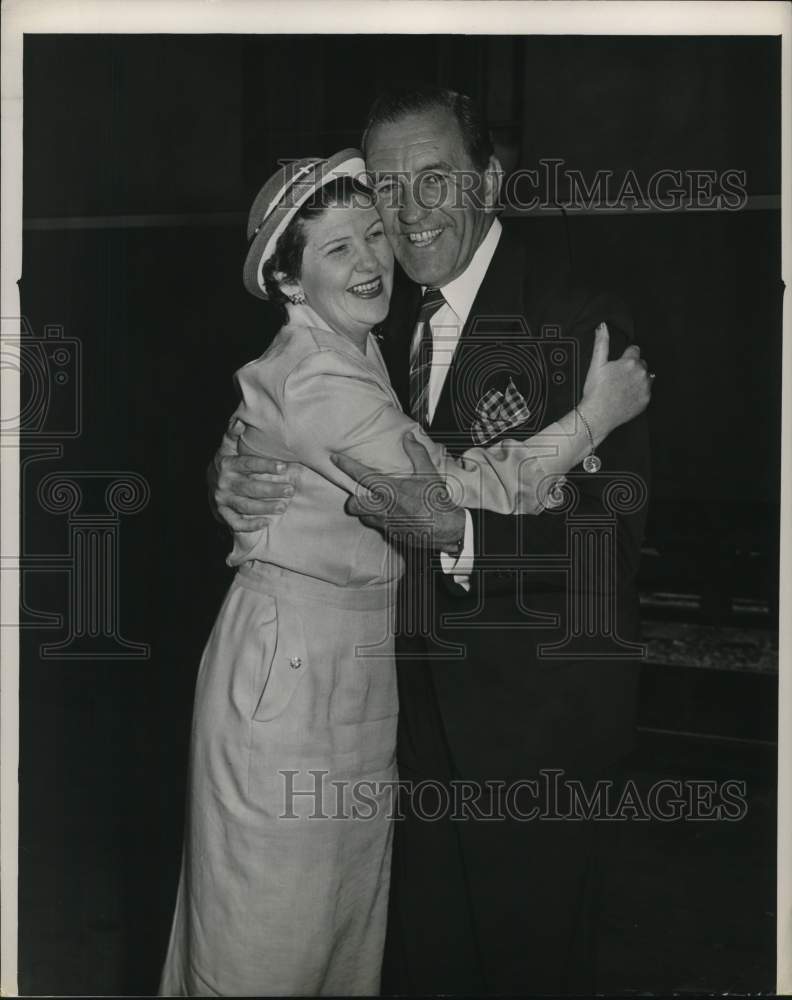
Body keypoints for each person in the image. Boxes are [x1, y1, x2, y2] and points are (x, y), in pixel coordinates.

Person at [205, 88, 653, 996]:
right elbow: (298, 413)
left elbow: (606, 545)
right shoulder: (377, 310)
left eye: (435, 180)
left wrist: (463, 536)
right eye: (389, 188)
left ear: (490, 181)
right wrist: (230, 469)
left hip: (529, 735)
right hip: (393, 727)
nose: (405, 217)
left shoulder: (578, 314)